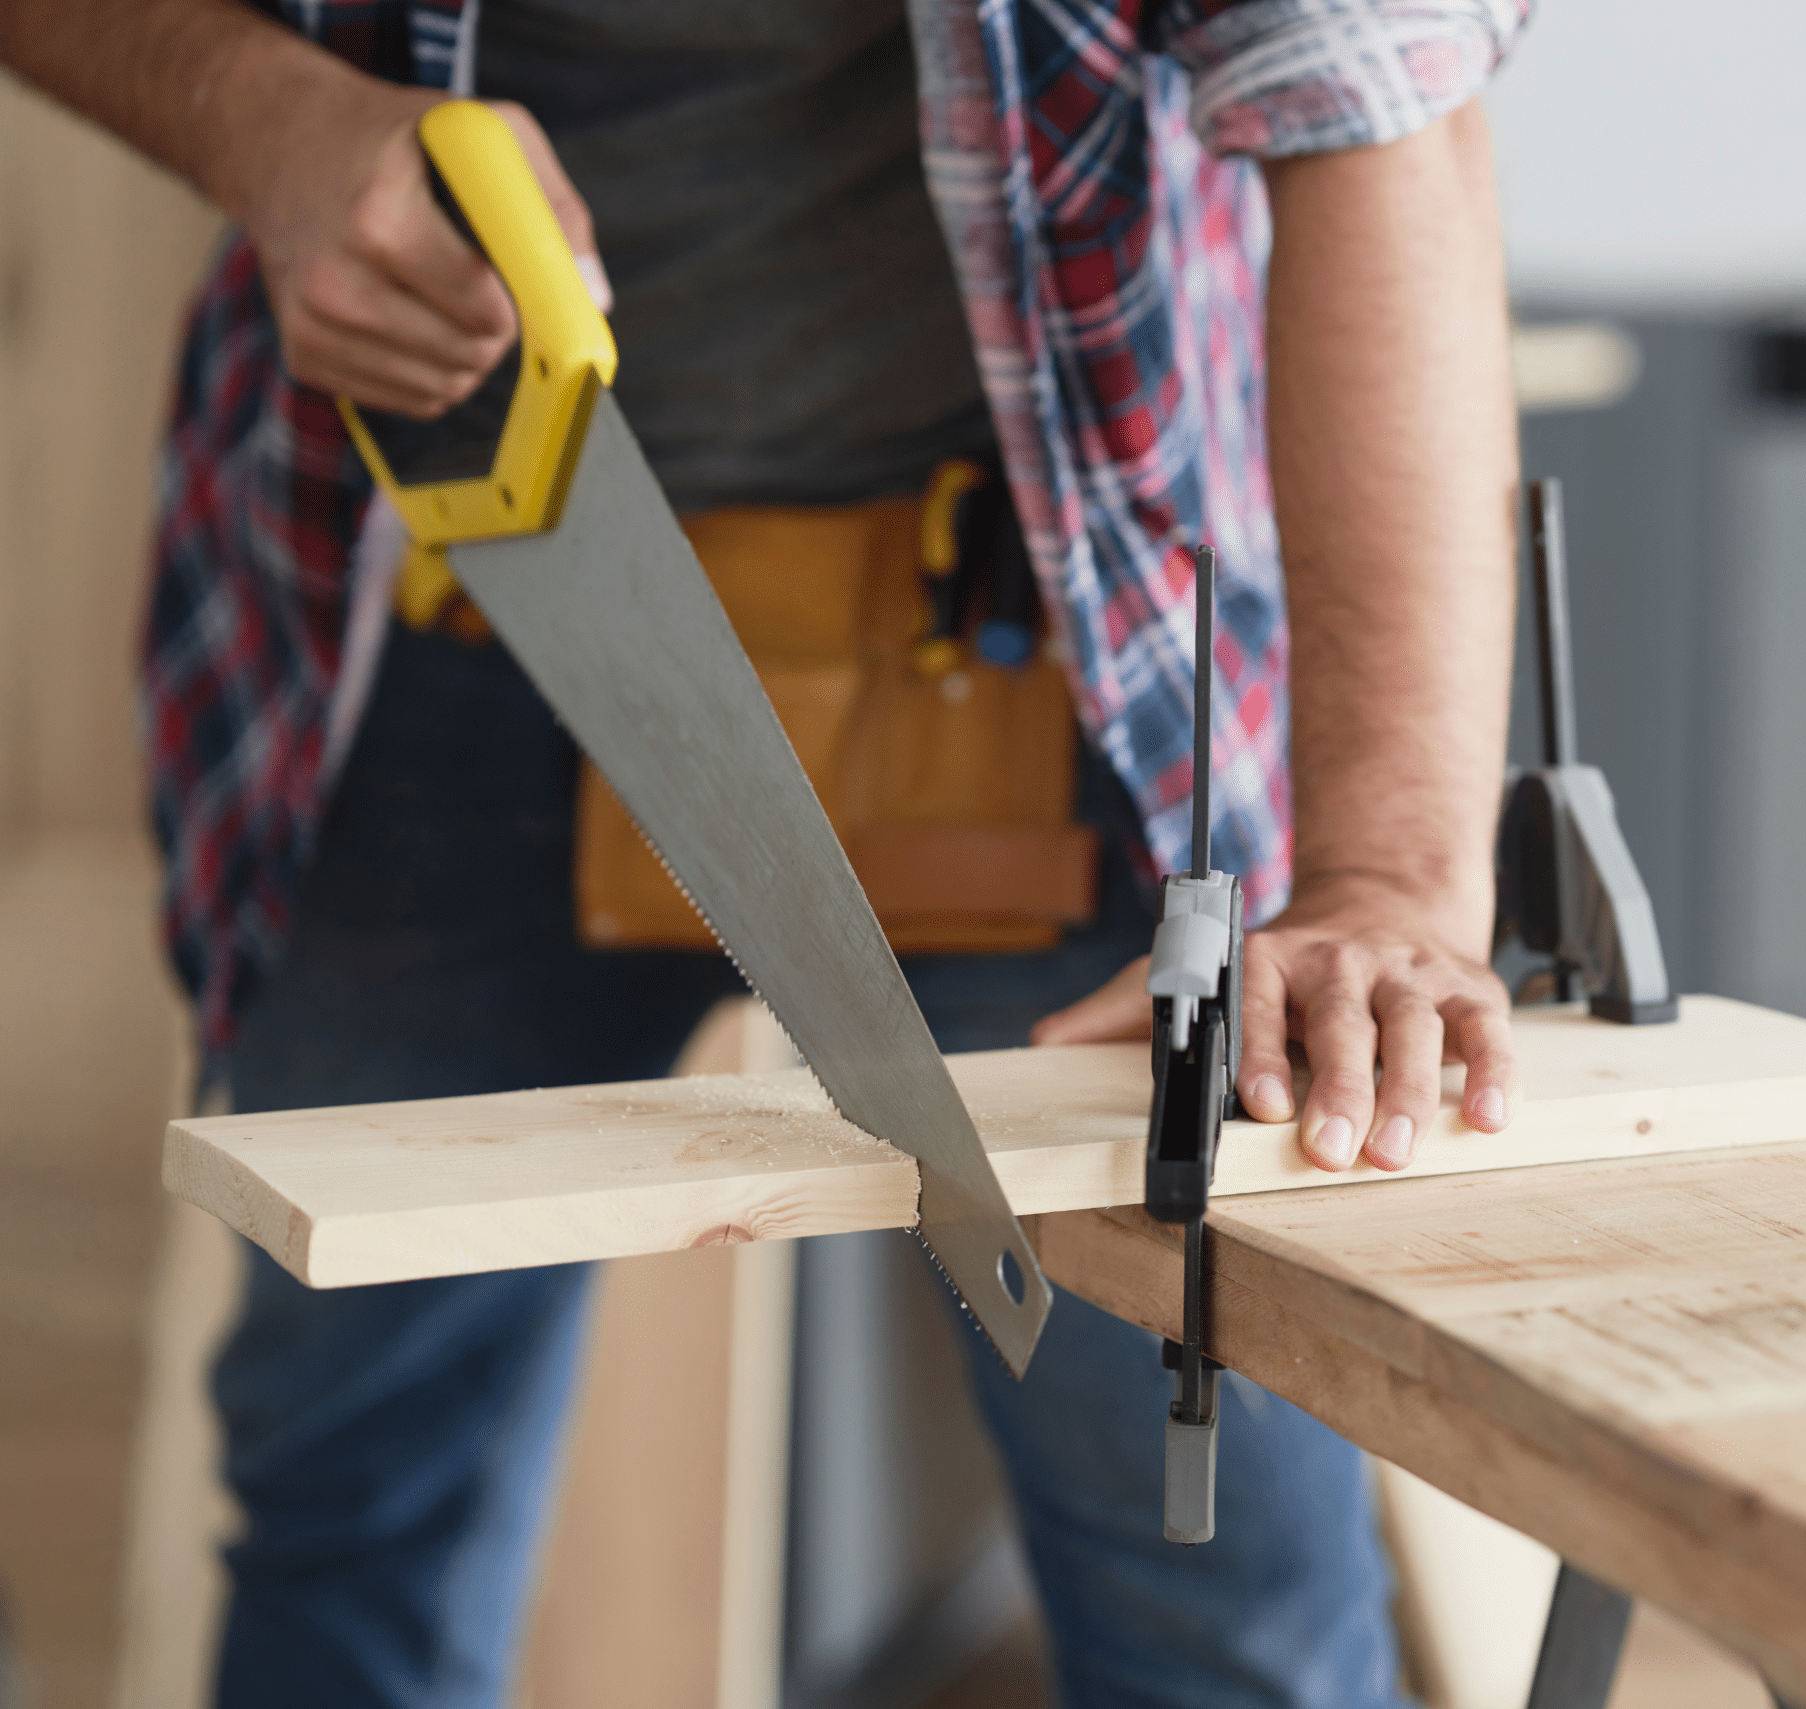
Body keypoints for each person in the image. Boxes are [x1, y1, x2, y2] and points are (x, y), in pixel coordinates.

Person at [0, 0, 1529, 1702]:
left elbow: (1375, 104)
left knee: (1212, 1568)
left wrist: (1386, 877)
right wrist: (258, 113)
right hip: (437, 605)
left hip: (1045, 665)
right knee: (348, 1506)